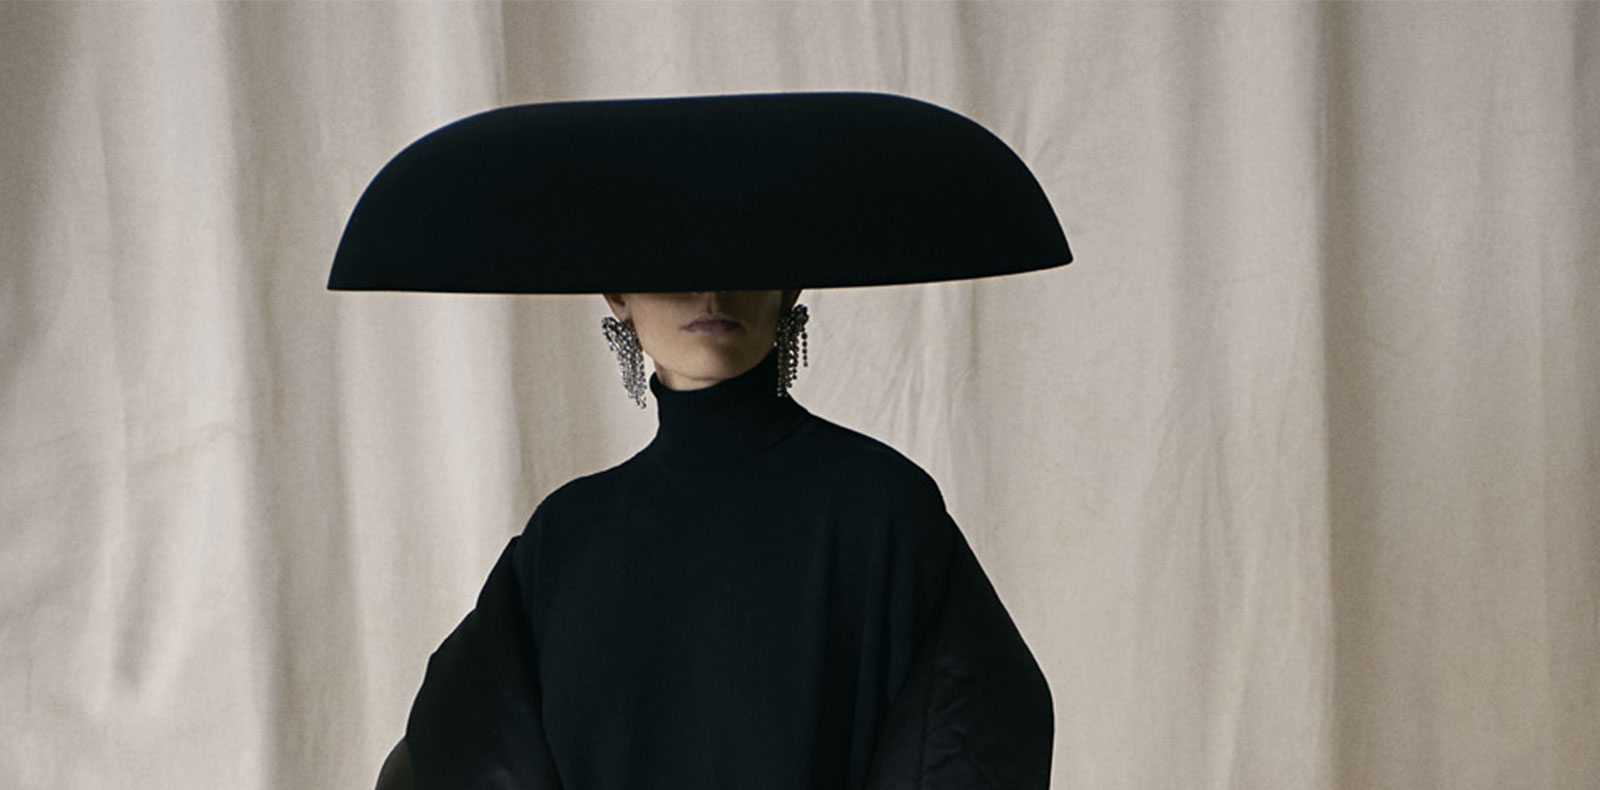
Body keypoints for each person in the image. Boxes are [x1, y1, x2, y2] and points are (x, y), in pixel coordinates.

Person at [332, 92, 1070, 790]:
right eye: (672, 266)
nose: (711, 292)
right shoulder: (567, 536)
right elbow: (457, 752)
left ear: (791, 287)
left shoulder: (882, 508)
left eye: (744, 260)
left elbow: (975, 738)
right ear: (616, 295)